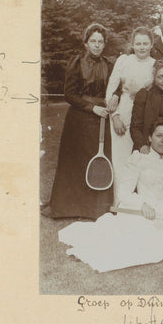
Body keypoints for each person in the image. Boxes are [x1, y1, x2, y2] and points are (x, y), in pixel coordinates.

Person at [58, 118, 163, 273]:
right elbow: (124, 192)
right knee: (140, 244)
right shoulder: (139, 158)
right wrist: (143, 205)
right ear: (149, 137)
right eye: (158, 135)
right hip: (140, 209)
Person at [41, 23, 113, 219]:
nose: (97, 45)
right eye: (93, 41)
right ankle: (71, 208)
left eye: (100, 41)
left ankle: (94, 209)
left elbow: (114, 91)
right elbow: (69, 95)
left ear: (105, 44)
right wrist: (92, 108)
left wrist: (110, 102)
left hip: (102, 121)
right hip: (79, 120)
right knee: (76, 163)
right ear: (86, 43)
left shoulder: (109, 65)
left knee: (97, 162)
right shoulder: (76, 63)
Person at [106, 27, 163, 203]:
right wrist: (115, 115)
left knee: (146, 158)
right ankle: (121, 202)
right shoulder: (124, 60)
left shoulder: (155, 64)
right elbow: (111, 88)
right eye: (138, 43)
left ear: (151, 44)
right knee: (122, 159)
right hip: (123, 110)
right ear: (132, 44)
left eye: (145, 43)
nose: (141, 47)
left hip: (147, 112)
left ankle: (147, 201)